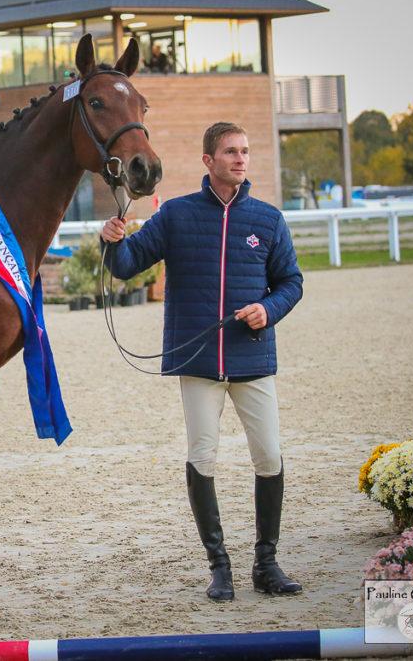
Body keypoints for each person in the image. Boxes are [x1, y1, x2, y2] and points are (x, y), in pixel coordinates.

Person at [100, 122, 304, 602]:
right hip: (197, 361)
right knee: (202, 457)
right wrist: (112, 241)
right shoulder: (175, 215)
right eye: (231, 151)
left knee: (269, 456)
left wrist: (267, 310)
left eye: (245, 151)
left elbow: (291, 283)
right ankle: (220, 567)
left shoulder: (268, 220)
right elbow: (128, 264)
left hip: (252, 358)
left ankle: (266, 564)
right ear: (208, 161)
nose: (240, 159)